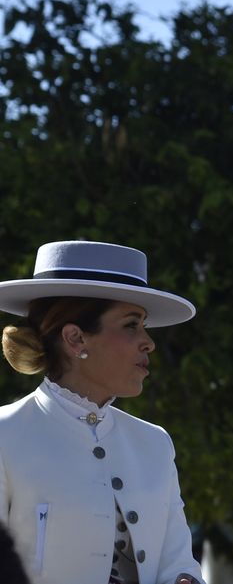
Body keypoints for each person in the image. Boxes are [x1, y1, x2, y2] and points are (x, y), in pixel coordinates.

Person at [0, 240, 204, 584]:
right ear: (76, 338)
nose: (148, 342)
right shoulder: (5, 435)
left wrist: (184, 579)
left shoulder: (155, 443)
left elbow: (179, 561)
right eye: (131, 325)